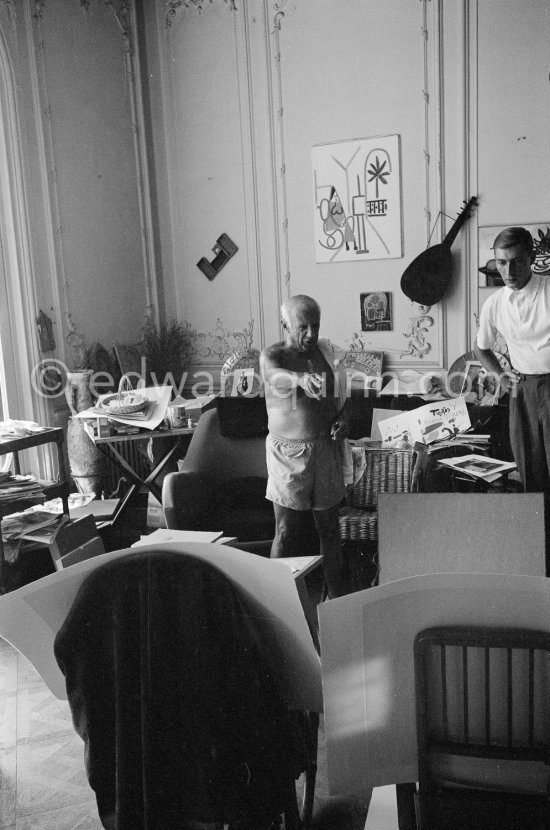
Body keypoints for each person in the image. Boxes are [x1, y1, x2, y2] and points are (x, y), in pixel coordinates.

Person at [260, 295, 352, 598]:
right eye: (303, 327)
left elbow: (343, 400)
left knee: (330, 530)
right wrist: (300, 379)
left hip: (324, 449)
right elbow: (274, 377)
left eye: (316, 326)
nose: (311, 335)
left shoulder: (326, 353)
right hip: (287, 454)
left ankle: (336, 601)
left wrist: (343, 420)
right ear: (285, 325)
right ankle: (277, 602)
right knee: (285, 532)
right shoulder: (273, 356)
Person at [474, 226, 550, 495]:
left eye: (517, 261)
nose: (509, 271)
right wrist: (500, 375)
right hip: (523, 390)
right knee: (530, 469)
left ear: (530, 258)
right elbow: (481, 348)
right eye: (502, 263)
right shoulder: (494, 303)